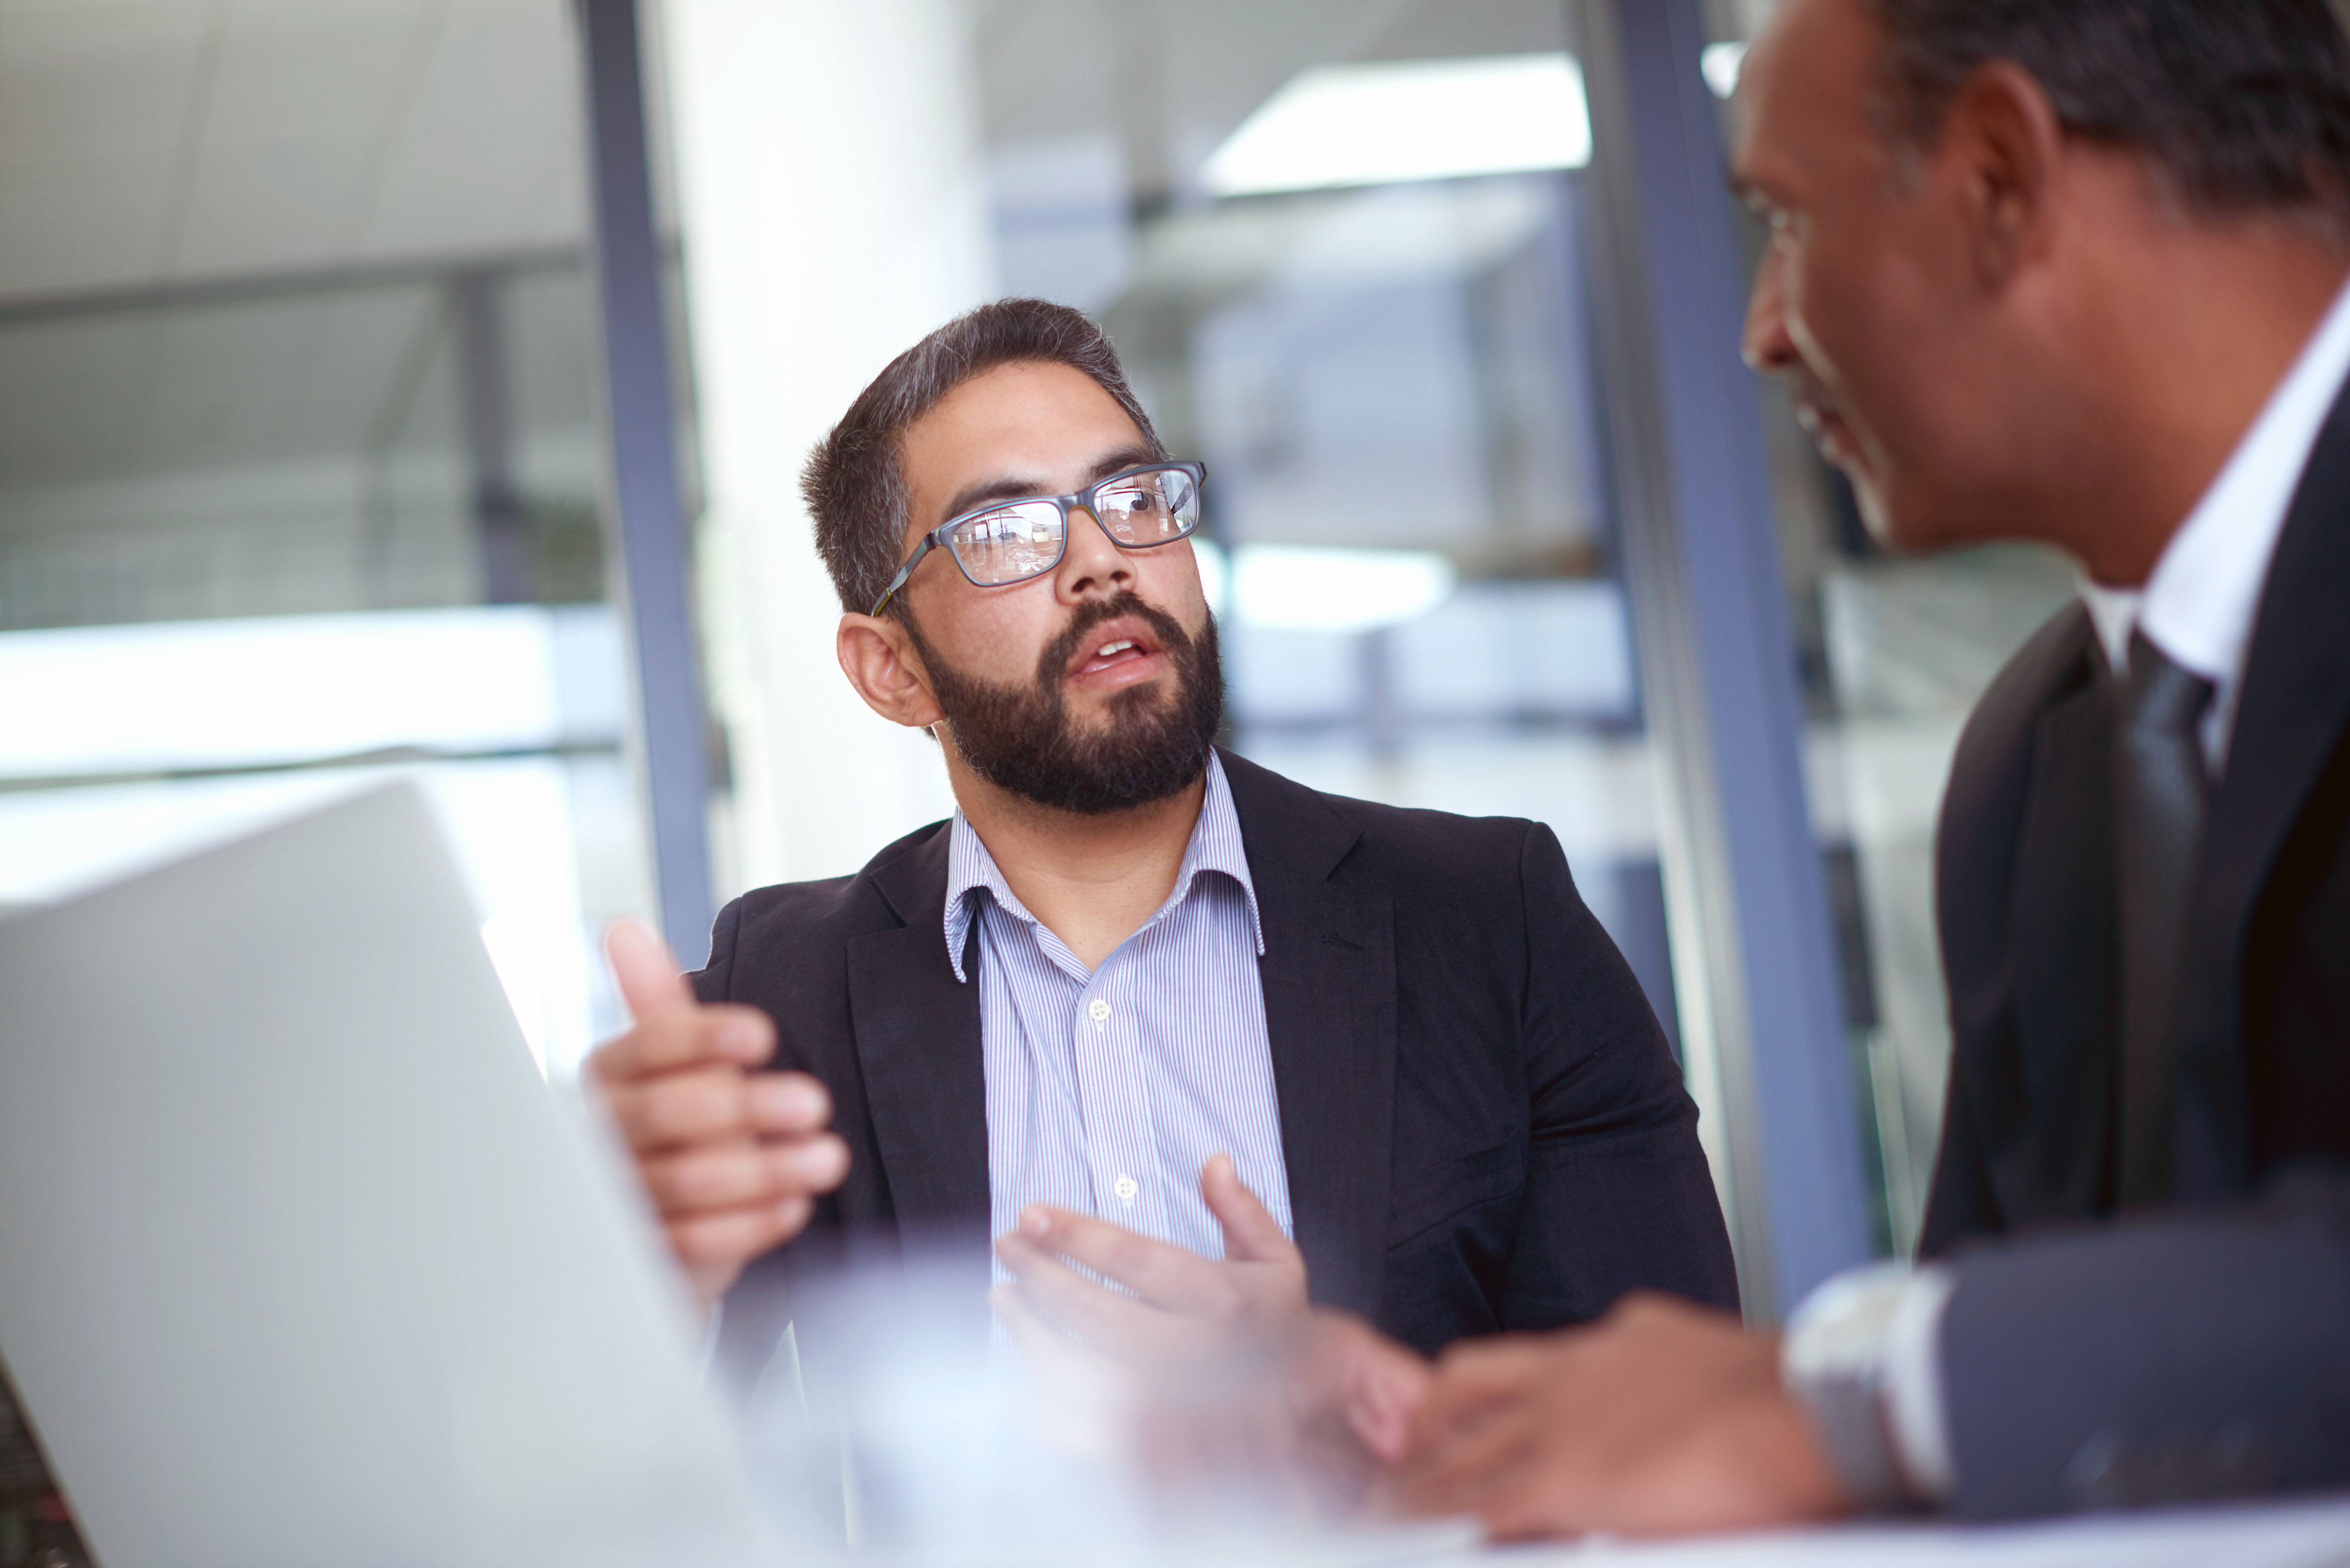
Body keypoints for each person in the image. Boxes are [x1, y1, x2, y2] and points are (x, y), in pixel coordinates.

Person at [1379, 0, 2350, 1537]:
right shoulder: (2038, 763)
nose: (1763, 329)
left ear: (1997, 177)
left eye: (1785, 220)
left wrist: (1850, 1391)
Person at [586, 298, 1737, 1390]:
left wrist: (1352, 1419)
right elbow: (603, 1459)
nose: (1102, 561)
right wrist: (621, 1267)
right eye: (1004, 531)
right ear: (892, 669)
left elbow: (1678, 1430)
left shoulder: (1491, 925)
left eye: (1132, 497)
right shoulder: (781, 1000)